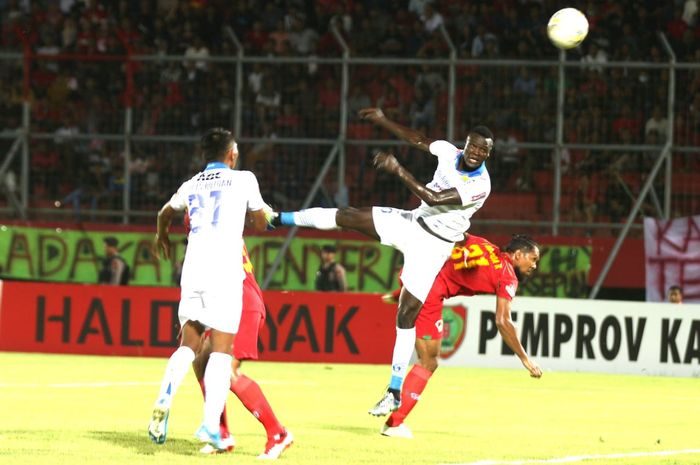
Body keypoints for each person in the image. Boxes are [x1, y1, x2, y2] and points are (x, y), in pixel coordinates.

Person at [274, 107, 494, 415]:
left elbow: (433, 198)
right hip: (412, 222)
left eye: (483, 150)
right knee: (349, 216)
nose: (476, 152)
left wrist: (397, 169)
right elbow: (418, 139)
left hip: (434, 246)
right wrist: (383, 120)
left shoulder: (480, 185)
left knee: (405, 316)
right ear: (466, 143)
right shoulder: (449, 151)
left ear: (488, 154)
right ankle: (278, 218)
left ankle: (394, 391)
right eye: (473, 145)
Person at [148, 128, 271, 452]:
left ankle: (165, 395)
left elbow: (165, 213)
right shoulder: (244, 179)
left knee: (189, 341)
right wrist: (264, 215)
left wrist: (162, 236)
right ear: (231, 154)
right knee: (220, 349)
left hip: (193, 269)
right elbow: (260, 223)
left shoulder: (190, 184)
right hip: (225, 272)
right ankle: (210, 425)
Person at [374, 234, 543, 438]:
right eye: (533, 259)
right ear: (517, 255)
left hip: (418, 272)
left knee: (427, 359)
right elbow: (503, 321)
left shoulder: (483, 244)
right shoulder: (507, 276)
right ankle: (394, 424)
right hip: (431, 292)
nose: (535, 265)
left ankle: (403, 295)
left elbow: (455, 236)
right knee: (428, 362)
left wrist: (402, 292)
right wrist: (525, 359)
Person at [192, 243, 293, 458]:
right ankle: (220, 434)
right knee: (201, 360)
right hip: (228, 303)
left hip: (243, 303)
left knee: (228, 371)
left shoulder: (214, 231)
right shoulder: (218, 226)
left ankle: (278, 433)